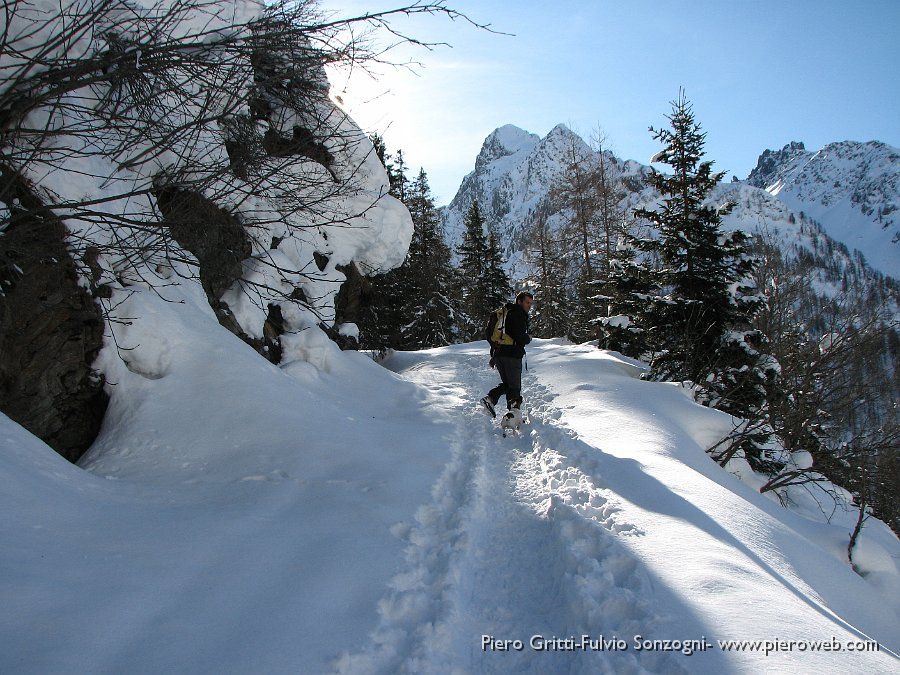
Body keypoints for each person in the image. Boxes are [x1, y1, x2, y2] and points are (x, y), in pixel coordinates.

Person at [481, 290, 533, 417]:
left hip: (499, 354)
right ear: (519, 301)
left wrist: (494, 354)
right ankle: (513, 414)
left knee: (508, 384)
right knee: (514, 386)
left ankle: (491, 399)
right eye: (527, 303)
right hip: (512, 355)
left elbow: (493, 335)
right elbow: (519, 336)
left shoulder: (505, 313)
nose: (529, 306)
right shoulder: (517, 314)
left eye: (530, 304)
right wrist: (528, 338)